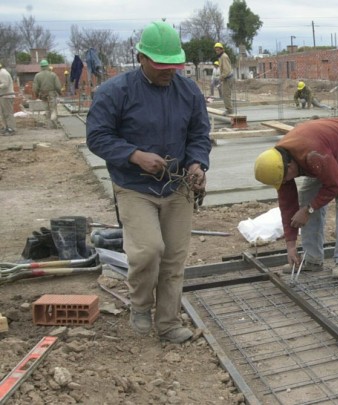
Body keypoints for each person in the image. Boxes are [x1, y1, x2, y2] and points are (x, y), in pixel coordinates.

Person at [86, 21, 212, 344]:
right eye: (161, 65)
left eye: (174, 65)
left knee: (173, 257)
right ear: (141, 57)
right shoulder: (116, 92)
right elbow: (97, 137)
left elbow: (199, 135)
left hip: (177, 186)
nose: (169, 71)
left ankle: (168, 323)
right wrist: (134, 155)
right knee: (147, 251)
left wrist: (197, 163)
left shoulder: (189, 92)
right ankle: (141, 306)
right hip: (134, 186)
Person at [253, 118, 338, 279]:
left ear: (290, 167)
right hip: (327, 152)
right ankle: (312, 260)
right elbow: (288, 205)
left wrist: (309, 210)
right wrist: (290, 246)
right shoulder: (278, 164)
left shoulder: (312, 155)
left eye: (285, 179)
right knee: (307, 197)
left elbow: (335, 184)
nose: (285, 183)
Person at [32, 59, 62, 129]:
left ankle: (49, 126)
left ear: (41, 66)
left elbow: (35, 87)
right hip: (52, 94)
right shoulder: (53, 75)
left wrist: (36, 94)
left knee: (47, 110)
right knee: (53, 109)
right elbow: (58, 86)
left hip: (43, 95)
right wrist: (59, 92)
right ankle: (54, 123)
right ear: (47, 66)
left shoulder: (37, 76)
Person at [214, 42, 233, 114]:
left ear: (222, 50)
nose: (217, 51)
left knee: (226, 94)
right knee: (225, 94)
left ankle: (229, 110)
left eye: (218, 50)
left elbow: (226, 70)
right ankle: (229, 109)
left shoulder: (224, 57)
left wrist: (220, 78)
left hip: (228, 78)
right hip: (226, 78)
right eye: (216, 50)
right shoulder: (221, 57)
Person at [0, 62, 16, 135]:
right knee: (3, 113)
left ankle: (11, 128)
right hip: (3, 96)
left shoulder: (3, 73)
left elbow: (5, 84)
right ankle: (6, 127)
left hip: (7, 96)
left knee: (8, 113)